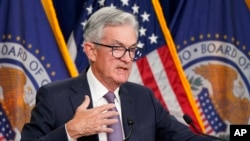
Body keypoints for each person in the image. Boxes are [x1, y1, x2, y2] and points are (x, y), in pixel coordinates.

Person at [21, 7, 220, 141]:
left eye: (132, 49)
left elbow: (190, 139)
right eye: (117, 48)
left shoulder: (143, 98)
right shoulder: (55, 98)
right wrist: (72, 130)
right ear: (91, 51)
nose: (127, 58)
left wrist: (241, 134)